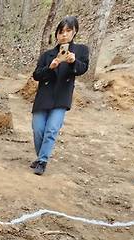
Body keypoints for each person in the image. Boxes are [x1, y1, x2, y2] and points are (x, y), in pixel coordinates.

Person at [30, 16, 89, 176]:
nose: (64, 35)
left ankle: (42, 161)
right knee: (38, 130)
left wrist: (73, 62)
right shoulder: (47, 54)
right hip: (44, 96)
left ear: (74, 32)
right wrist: (50, 68)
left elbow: (83, 69)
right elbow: (36, 75)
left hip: (61, 97)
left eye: (68, 31)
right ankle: (40, 156)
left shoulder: (81, 50)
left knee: (51, 130)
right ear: (56, 34)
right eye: (61, 31)